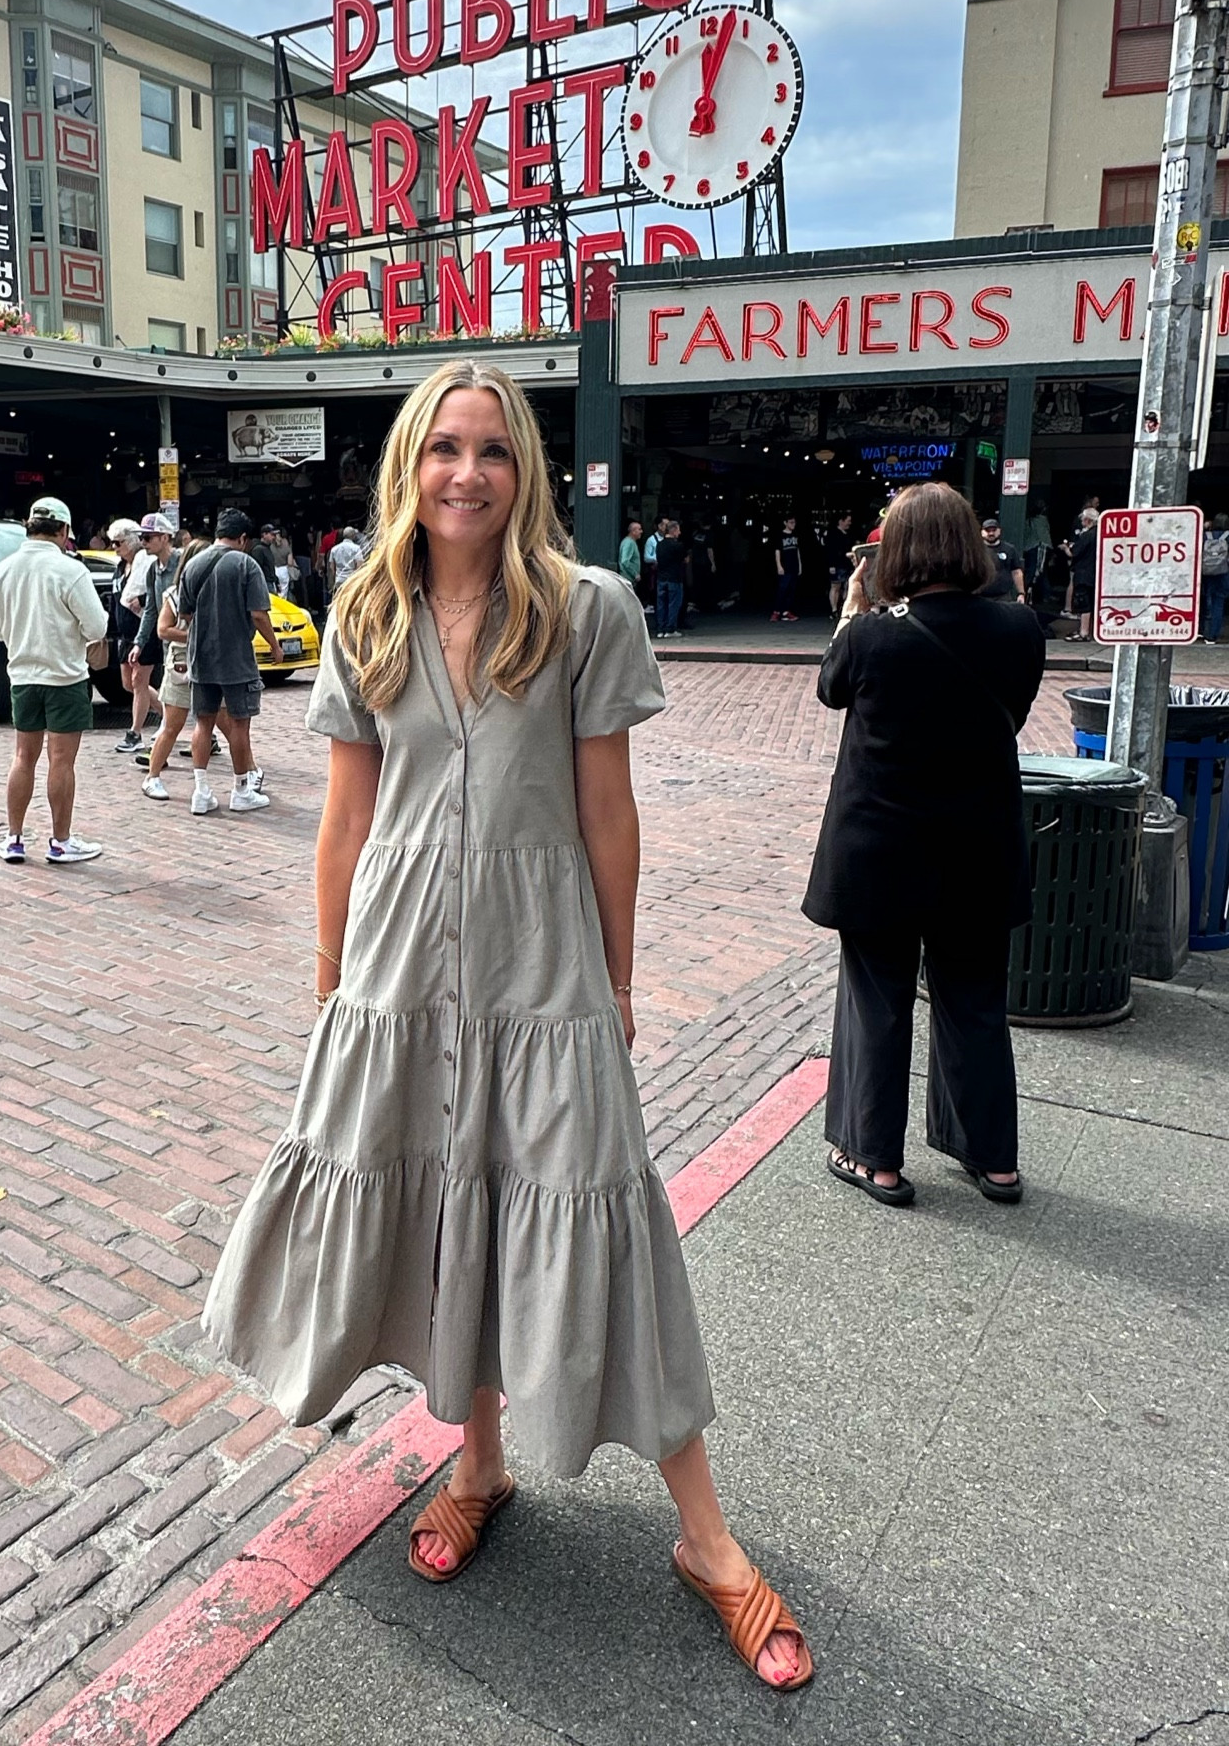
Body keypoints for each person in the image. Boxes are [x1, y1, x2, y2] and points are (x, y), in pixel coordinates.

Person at [200, 359, 812, 1691]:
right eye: (442, 449)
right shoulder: (367, 609)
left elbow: (608, 811)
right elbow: (348, 820)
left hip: (547, 974)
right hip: (400, 970)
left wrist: (621, 971)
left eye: (489, 449)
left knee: (598, 1218)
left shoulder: (587, 611)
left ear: (522, 468)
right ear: (408, 466)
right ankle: (473, 1464)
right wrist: (329, 977)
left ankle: (705, 1539)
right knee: (438, 1210)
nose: (465, 472)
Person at [803, 482, 1045, 1208]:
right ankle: (992, 1160)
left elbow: (829, 689)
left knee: (876, 1000)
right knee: (974, 1001)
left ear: (895, 552)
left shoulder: (873, 633)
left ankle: (874, 1157)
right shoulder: (1020, 629)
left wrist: (854, 608)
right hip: (979, 849)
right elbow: (1012, 713)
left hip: (881, 852)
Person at [0, 496, 108, 865]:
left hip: (22, 675)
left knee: (23, 757)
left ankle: (14, 838)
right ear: (64, 530)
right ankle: (60, 841)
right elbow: (97, 626)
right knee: (61, 761)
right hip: (65, 676)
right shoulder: (70, 570)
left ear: (29, 526)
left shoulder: (4, 569)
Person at [174, 507, 284, 816]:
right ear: (244, 537)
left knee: (203, 722)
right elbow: (259, 614)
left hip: (201, 654)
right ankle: (240, 790)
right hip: (236, 656)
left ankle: (201, 791)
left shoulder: (193, 564)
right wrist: (275, 646)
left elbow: (185, 614)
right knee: (239, 724)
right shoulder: (246, 564)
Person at [139, 540, 203, 799]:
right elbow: (163, 628)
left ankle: (243, 775)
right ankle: (152, 776)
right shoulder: (176, 593)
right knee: (172, 724)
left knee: (228, 725)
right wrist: (198, 636)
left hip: (209, 662)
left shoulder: (216, 590)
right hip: (182, 662)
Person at [129, 513, 183, 755]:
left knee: (185, 692)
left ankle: (159, 750)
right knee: (174, 691)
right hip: (167, 640)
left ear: (165, 537)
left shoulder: (183, 563)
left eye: (148, 537)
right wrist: (139, 642)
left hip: (184, 636)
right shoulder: (153, 569)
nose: (144, 542)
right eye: (142, 537)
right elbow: (151, 608)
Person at [108, 519, 163, 755]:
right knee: (128, 683)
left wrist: (141, 601)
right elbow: (115, 598)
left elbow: (154, 597)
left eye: (118, 543)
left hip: (144, 632)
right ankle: (170, 713)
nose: (115, 547)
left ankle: (135, 732)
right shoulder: (121, 567)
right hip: (125, 632)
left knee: (139, 681)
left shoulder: (147, 564)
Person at [1066, 508, 1099, 641]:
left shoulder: (1087, 536)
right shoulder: (1100, 534)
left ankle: (1084, 632)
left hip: (1084, 573)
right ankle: (1089, 630)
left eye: (1082, 519)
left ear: (1087, 520)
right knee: (1092, 602)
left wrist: (1066, 548)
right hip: (1095, 572)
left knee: (1084, 602)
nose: (1081, 522)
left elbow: (1074, 553)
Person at [977, 517, 1025, 604]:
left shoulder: (1009, 549)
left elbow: (1017, 572)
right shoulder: (975, 550)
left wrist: (1021, 593)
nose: (991, 533)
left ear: (999, 531)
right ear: (982, 532)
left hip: (1003, 597)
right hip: (980, 597)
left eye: (994, 530)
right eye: (988, 530)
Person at [653, 518, 687, 637]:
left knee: (661, 604)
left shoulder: (659, 545)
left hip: (661, 578)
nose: (679, 533)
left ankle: (660, 629)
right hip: (674, 578)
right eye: (678, 530)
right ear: (673, 530)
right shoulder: (678, 546)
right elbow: (685, 560)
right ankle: (670, 629)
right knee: (673, 604)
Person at [1200, 512, 1229, 643]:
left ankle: (1201, 630)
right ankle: (1212, 635)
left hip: (1207, 573)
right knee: (1219, 603)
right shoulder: (1228, 536)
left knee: (1205, 601)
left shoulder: (1205, 536)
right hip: (1224, 573)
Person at [771, 515, 802, 621]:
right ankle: (776, 611)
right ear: (785, 523)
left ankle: (786, 611)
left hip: (794, 566)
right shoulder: (780, 535)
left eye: (794, 522)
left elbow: (797, 550)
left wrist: (800, 565)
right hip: (785, 566)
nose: (793, 525)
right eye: (791, 522)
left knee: (791, 590)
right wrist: (779, 565)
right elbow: (777, 551)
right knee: (782, 589)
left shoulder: (795, 535)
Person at [823, 513, 855, 617]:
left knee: (847, 586)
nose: (849, 523)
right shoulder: (832, 534)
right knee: (835, 586)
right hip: (837, 564)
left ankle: (843, 607)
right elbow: (829, 551)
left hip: (847, 564)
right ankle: (834, 609)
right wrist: (831, 565)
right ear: (841, 521)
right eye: (848, 521)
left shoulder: (848, 534)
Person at [328, 525, 365, 596]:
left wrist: (336, 577)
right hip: (351, 580)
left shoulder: (334, 549)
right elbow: (359, 566)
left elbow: (332, 567)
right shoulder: (356, 548)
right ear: (353, 536)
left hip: (339, 580)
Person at [617, 519, 643, 589]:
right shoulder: (629, 543)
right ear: (633, 531)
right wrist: (635, 574)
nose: (641, 532)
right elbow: (625, 561)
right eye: (639, 529)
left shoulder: (630, 542)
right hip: (628, 579)